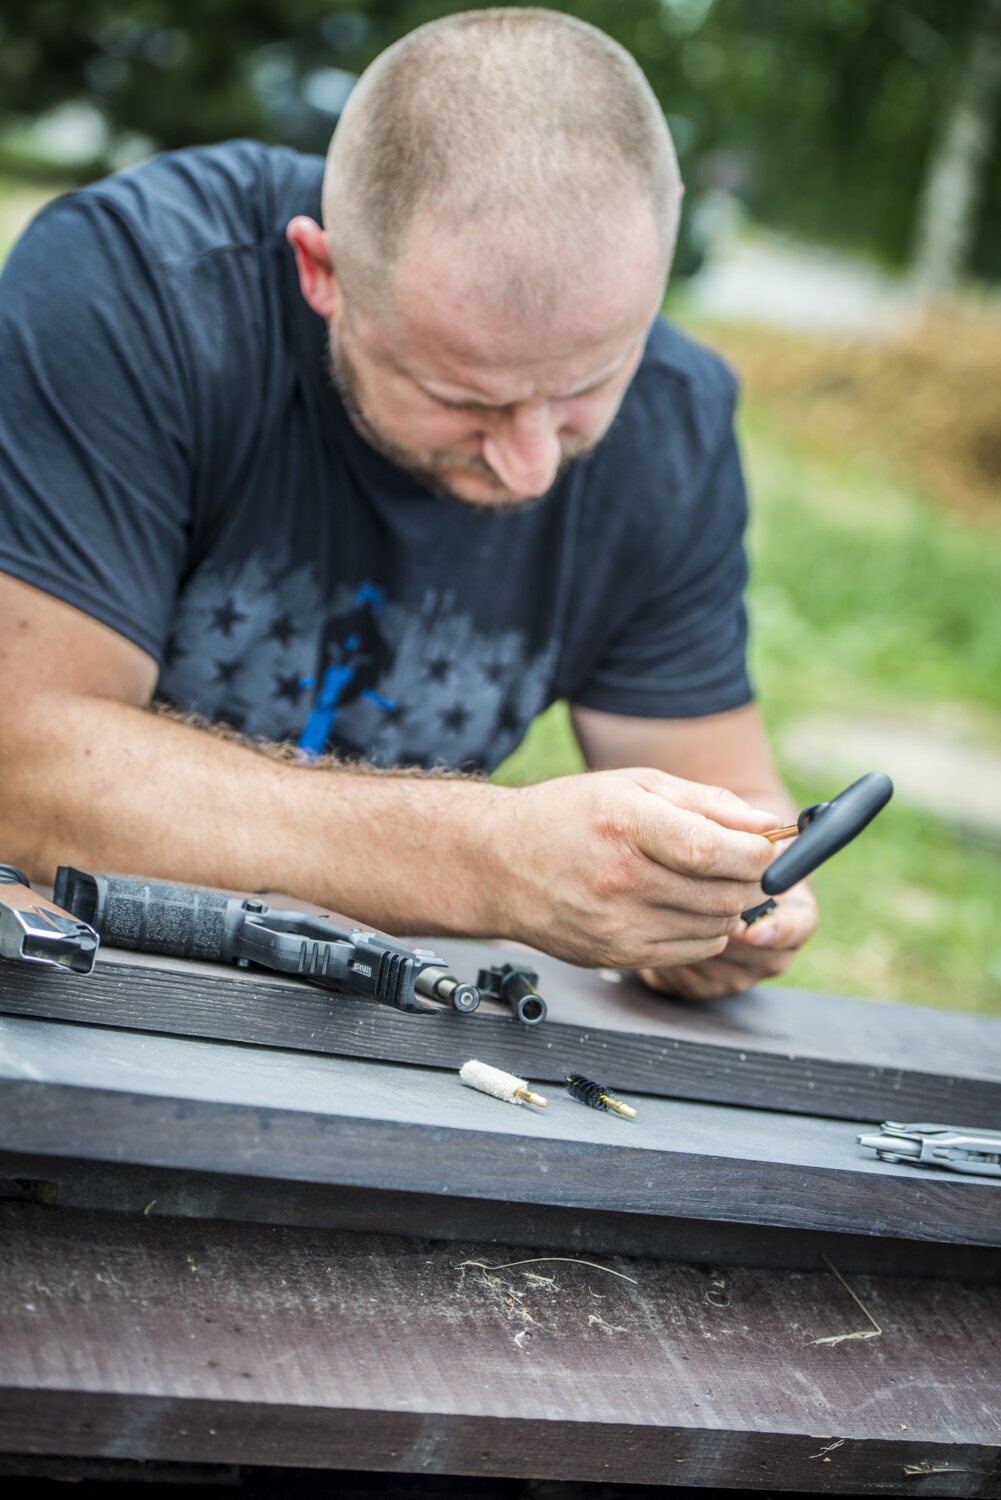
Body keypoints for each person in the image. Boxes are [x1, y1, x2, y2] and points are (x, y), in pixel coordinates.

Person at [0, 7, 816, 1000]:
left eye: (586, 385)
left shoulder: (673, 421)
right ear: (322, 271)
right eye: (463, 398)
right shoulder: (138, 292)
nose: (529, 467)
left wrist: (717, 894)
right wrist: (488, 858)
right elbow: (24, 772)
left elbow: (723, 785)